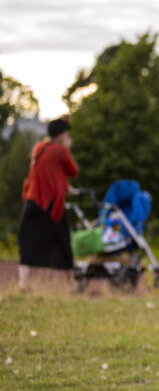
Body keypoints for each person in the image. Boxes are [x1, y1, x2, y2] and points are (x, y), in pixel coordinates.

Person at [17, 116, 79, 292]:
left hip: (33, 201)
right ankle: (72, 285)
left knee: (27, 239)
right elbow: (73, 171)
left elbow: (48, 174)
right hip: (52, 204)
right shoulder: (60, 150)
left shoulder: (38, 148)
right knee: (63, 240)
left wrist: (65, 186)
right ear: (61, 135)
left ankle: (23, 283)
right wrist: (67, 148)